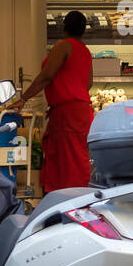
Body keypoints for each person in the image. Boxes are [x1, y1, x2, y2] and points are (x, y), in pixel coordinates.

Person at [11, 10, 93, 192]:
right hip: (81, 110)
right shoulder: (85, 51)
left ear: (64, 28)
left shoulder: (63, 46)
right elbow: (88, 83)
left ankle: (64, 200)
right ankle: (79, 197)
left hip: (66, 112)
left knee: (64, 160)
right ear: (83, 30)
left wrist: (23, 98)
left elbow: (46, 76)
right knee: (76, 158)